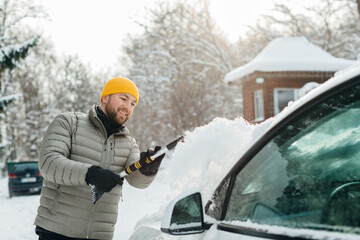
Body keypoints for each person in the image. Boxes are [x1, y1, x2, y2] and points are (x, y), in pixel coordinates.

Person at [34, 77, 165, 240]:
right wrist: (91, 174)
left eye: (133, 104)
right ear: (105, 98)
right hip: (58, 231)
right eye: (123, 98)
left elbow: (136, 181)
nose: (128, 107)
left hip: (100, 235)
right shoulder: (69, 123)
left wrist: (148, 169)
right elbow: (49, 164)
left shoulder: (129, 143)